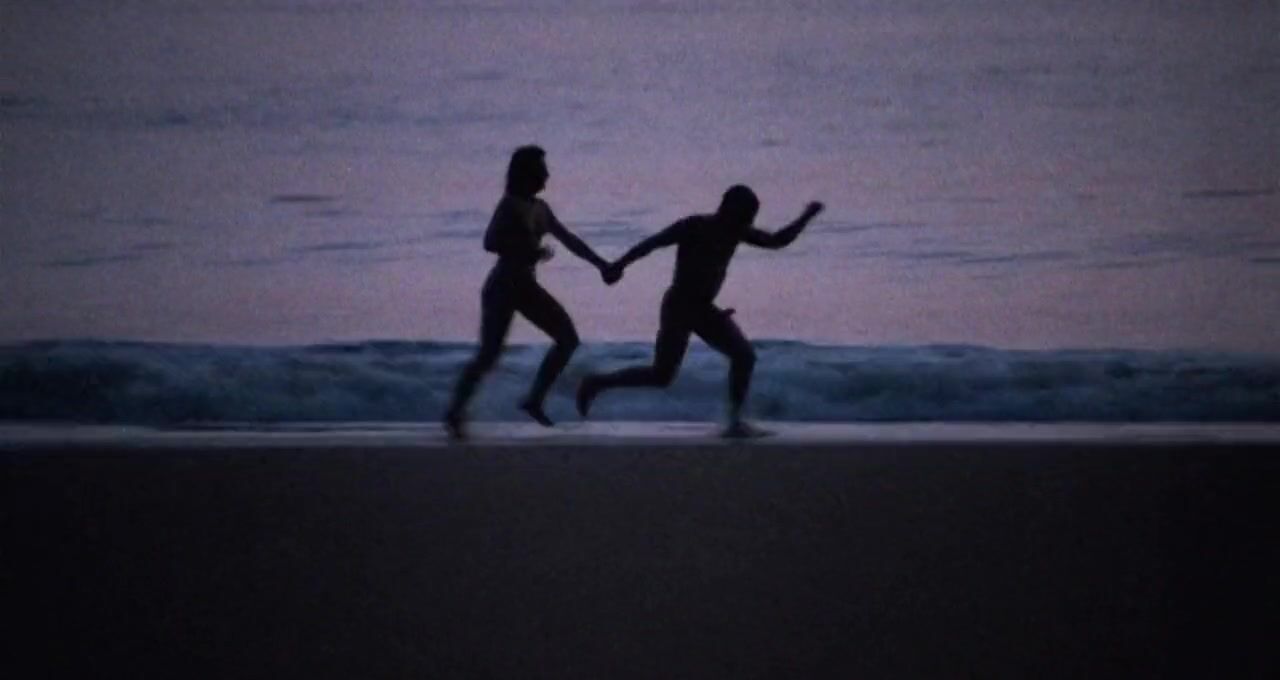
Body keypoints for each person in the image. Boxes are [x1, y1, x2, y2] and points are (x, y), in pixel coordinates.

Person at [577, 186, 823, 438]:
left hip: (704, 309)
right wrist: (618, 265)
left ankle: (734, 421)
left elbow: (777, 241)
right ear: (727, 209)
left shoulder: (736, 232)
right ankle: (596, 382)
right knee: (662, 375)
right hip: (679, 306)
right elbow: (652, 243)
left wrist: (806, 216)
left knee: (743, 356)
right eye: (745, 216)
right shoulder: (694, 226)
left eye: (750, 218)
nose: (748, 223)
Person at [444, 145, 619, 439]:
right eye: (542, 169)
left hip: (525, 287)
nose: (547, 175)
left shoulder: (541, 208)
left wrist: (601, 264)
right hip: (502, 286)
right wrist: (529, 251)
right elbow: (489, 242)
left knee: (567, 339)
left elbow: (569, 240)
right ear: (527, 173)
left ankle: (534, 399)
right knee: (489, 354)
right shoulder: (510, 205)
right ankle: (454, 412)